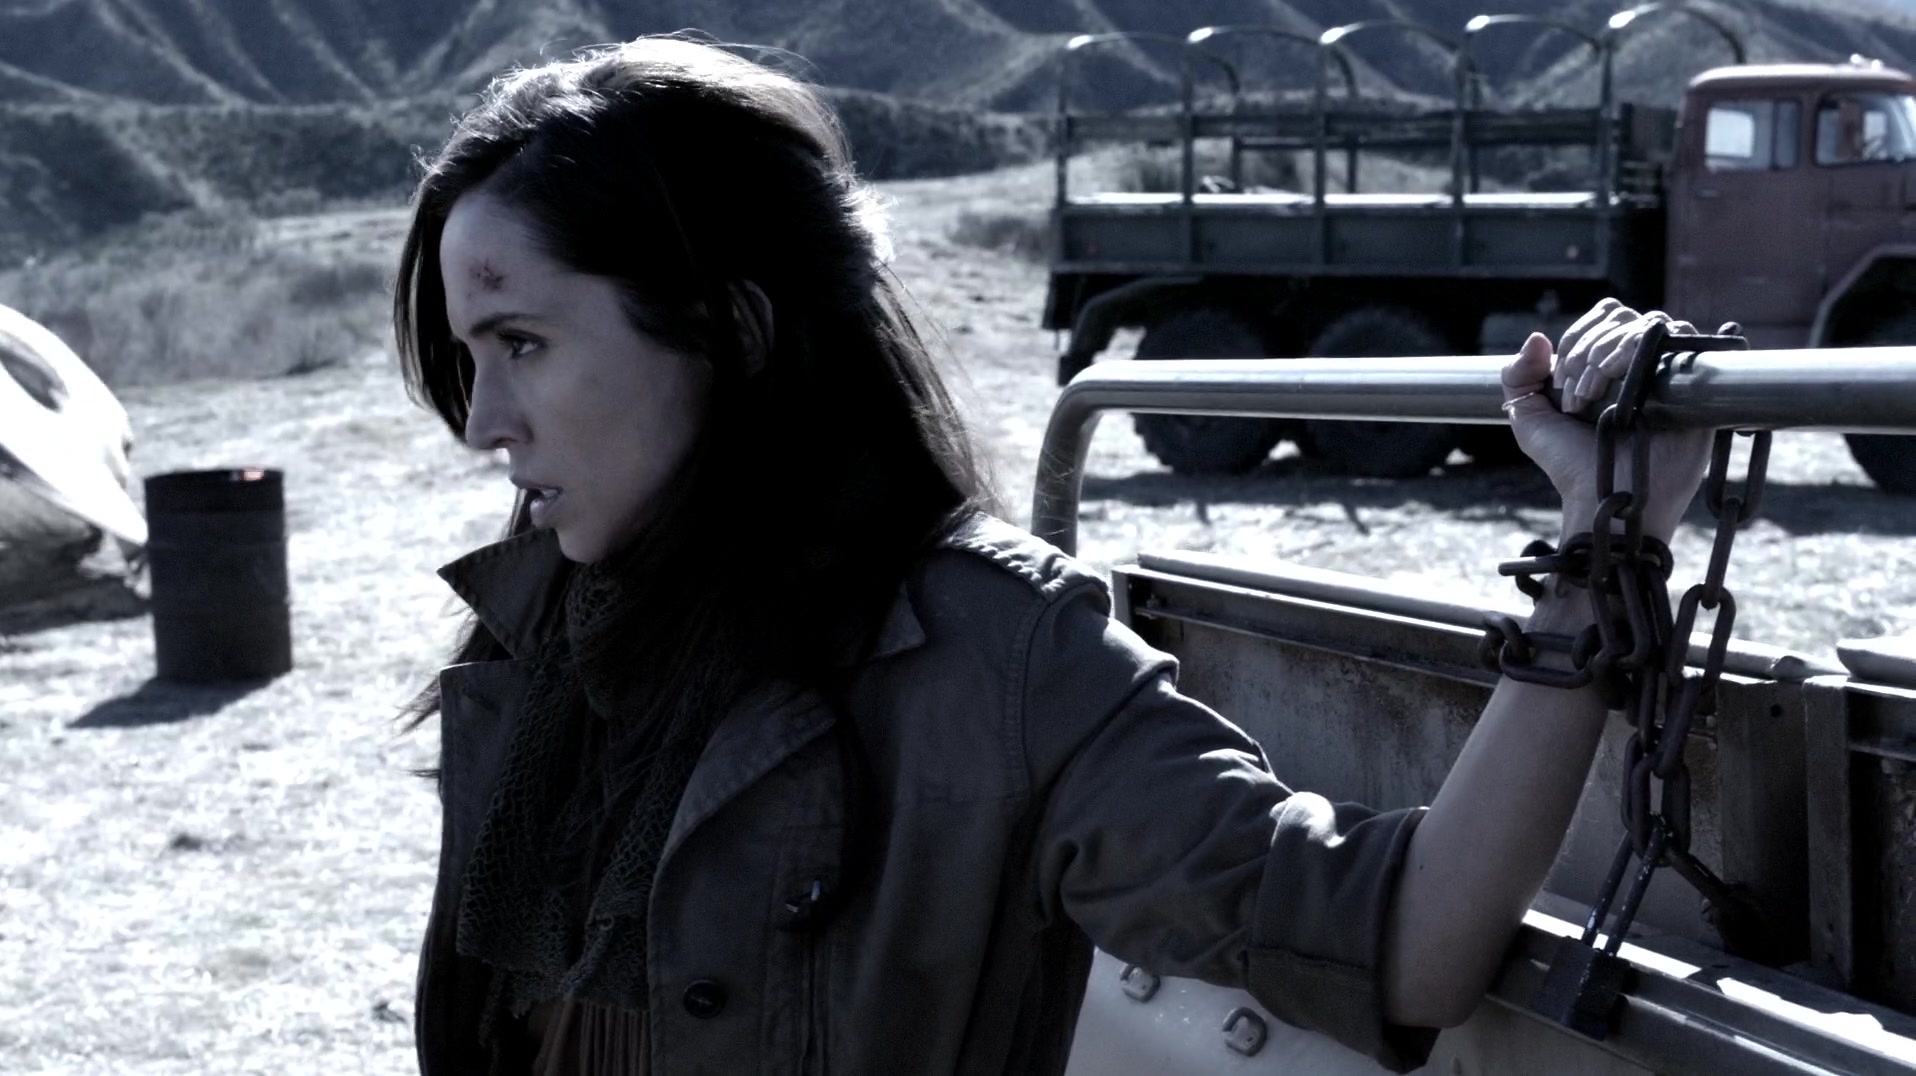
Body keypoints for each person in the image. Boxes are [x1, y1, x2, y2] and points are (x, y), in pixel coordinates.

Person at [392, 35, 1713, 1076]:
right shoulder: (538, 639)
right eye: (469, 358)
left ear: (729, 330)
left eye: (523, 344)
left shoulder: (998, 662)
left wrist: (1603, 545)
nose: (482, 422)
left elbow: (1399, 941)